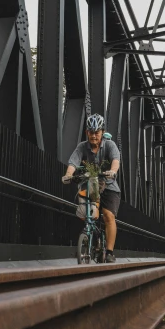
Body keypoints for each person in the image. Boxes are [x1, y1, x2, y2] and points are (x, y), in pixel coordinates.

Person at [62, 113, 121, 263]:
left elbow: (115, 160)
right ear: (86, 132)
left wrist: (113, 171)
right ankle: (90, 238)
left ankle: (109, 252)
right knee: (88, 213)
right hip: (93, 184)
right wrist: (68, 174)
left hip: (109, 186)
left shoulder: (109, 145)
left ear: (102, 132)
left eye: (96, 132)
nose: (93, 136)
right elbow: (73, 163)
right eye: (91, 132)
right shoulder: (82, 147)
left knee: (108, 216)